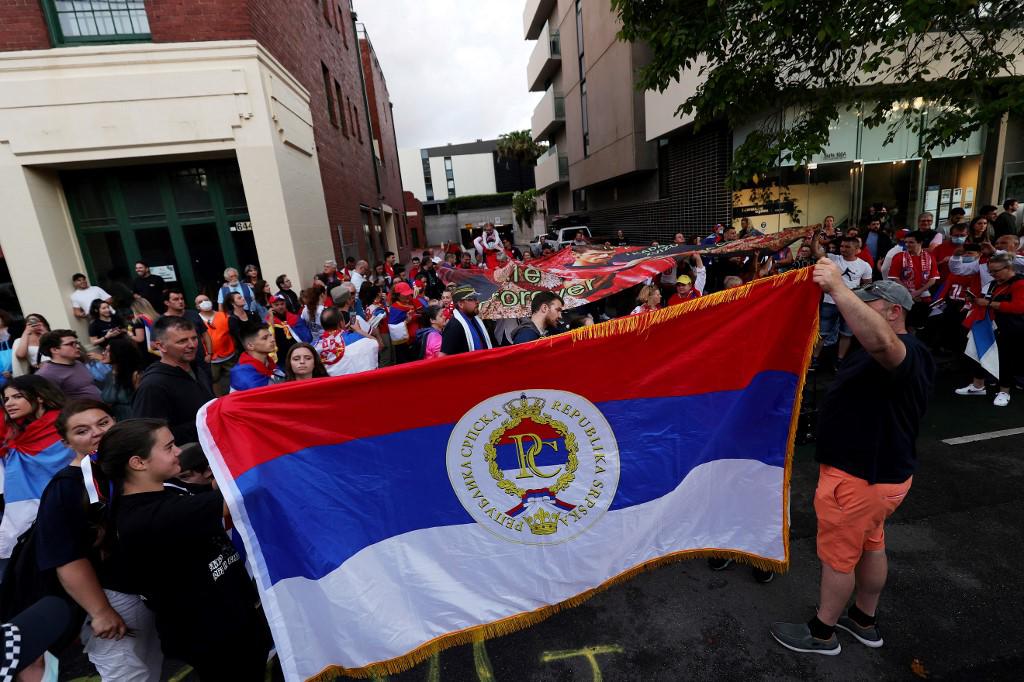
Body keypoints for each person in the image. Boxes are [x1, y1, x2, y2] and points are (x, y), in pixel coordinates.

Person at [770, 275, 934, 656]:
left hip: (861, 480)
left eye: (868, 304)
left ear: (895, 312)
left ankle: (821, 633)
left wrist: (838, 290)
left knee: (839, 559)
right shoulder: (875, 349)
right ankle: (863, 619)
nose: (853, 309)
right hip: (879, 477)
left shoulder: (901, 350)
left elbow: (884, 342)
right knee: (871, 545)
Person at [98, 420, 272, 680]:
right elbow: (238, 497)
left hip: (231, 621)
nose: (179, 451)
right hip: (214, 636)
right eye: (169, 447)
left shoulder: (166, 494)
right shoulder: (148, 516)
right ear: (138, 463)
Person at [35, 399, 164, 679]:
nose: (96, 433)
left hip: (146, 591)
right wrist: (101, 610)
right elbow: (66, 558)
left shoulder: (128, 467)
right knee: (126, 673)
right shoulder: (65, 488)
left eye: (103, 423)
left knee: (151, 668)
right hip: (110, 596)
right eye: (82, 431)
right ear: (66, 442)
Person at [0, 375, 74, 557]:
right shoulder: (19, 431)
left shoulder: (66, 425)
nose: (9, 403)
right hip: (27, 508)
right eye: (6, 399)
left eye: (17, 397)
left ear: (39, 396)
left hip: (65, 504)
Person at [954, 252, 1024, 406]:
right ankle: (978, 385)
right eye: (990, 271)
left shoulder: (1019, 283)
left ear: (1008, 267)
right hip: (987, 325)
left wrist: (989, 304)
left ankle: (1004, 391)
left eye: (996, 271)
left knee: (1006, 359)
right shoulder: (994, 284)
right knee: (978, 354)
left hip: (1010, 328)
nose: (992, 274)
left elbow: (1019, 307)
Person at [131, 316, 214, 444]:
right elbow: (150, 435)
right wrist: (205, 423)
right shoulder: (153, 386)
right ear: (161, 346)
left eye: (194, 338)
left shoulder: (198, 370)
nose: (192, 345)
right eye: (182, 341)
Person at [811, 235, 873, 368]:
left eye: (847, 246)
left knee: (846, 333)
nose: (843, 249)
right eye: (842, 246)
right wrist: (815, 237)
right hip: (830, 302)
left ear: (857, 249)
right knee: (822, 333)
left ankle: (840, 360)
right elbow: (816, 252)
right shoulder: (833, 258)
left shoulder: (864, 266)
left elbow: (868, 285)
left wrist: (856, 294)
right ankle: (814, 359)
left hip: (850, 304)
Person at [888, 231, 939, 326]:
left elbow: (933, 279)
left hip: (923, 297)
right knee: (904, 324)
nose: (907, 244)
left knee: (920, 325)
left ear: (920, 242)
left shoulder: (930, 257)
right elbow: (895, 277)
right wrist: (910, 293)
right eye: (906, 242)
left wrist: (917, 292)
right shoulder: (899, 256)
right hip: (903, 296)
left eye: (911, 242)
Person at [36, 330, 102, 400]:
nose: (78, 346)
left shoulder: (78, 363)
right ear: (54, 350)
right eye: (71, 344)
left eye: (77, 343)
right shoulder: (46, 374)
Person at [315, 307, 378, 376]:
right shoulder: (357, 338)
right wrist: (359, 330)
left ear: (323, 327)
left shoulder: (314, 345)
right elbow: (376, 344)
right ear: (341, 323)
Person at [196, 293, 236, 397]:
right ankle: (219, 399)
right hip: (210, 358)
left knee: (235, 377)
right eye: (200, 302)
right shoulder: (196, 319)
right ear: (197, 306)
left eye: (206, 299)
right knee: (214, 380)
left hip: (229, 355)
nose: (204, 302)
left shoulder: (223, 315)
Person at [98, 337, 145, 420]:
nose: (103, 353)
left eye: (108, 351)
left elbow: (143, 403)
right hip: (116, 421)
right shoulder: (109, 375)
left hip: (134, 420)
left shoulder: (135, 375)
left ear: (119, 353)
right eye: (105, 350)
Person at [440, 286, 493, 356]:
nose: (477, 302)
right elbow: (443, 356)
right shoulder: (454, 326)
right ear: (461, 304)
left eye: (476, 298)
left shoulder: (476, 320)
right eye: (472, 299)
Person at [229, 325, 283, 392]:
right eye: (265, 338)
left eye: (271, 335)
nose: (273, 339)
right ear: (250, 346)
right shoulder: (242, 373)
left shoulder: (269, 362)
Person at [268, 294, 312, 359]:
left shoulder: (295, 318)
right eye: (276, 305)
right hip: (281, 358)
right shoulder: (268, 322)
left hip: (298, 353)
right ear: (271, 307)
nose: (280, 306)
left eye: (282, 304)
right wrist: (271, 322)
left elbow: (307, 337)